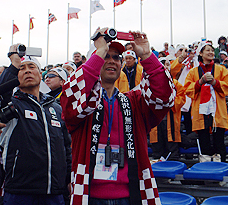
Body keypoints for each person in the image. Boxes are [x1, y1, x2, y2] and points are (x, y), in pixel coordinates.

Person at [61, 28, 175, 205]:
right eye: (106, 56)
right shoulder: (84, 104)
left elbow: (165, 97)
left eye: (116, 57)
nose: (111, 61)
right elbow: (71, 100)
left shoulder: (135, 101)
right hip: (89, 195)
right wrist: (99, 52)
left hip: (132, 195)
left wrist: (146, 56)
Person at [0, 46, 72, 205]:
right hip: (20, 191)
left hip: (54, 191)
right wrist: (14, 62)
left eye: (32, 67)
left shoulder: (56, 108)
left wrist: (67, 179)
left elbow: (66, 147)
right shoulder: (11, 105)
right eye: (22, 69)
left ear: (40, 74)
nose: (27, 71)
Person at [184, 41, 228, 162]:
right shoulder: (193, 72)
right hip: (200, 111)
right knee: (204, 142)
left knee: (219, 143)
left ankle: (221, 170)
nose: (211, 52)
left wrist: (215, 82)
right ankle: (206, 170)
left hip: (217, 111)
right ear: (200, 53)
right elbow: (187, 89)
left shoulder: (221, 69)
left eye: (212, 50)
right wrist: (199, 82)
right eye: (207, 50)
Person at [150, 57, 185, 160]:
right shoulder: (150, 83)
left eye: (167, 64)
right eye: (162, 64)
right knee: (157, 148)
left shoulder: (176, 84)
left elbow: (182, 98)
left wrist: (169, 103)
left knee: (172, 149)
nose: (165, 66)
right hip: (156, 119)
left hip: (171, 119)